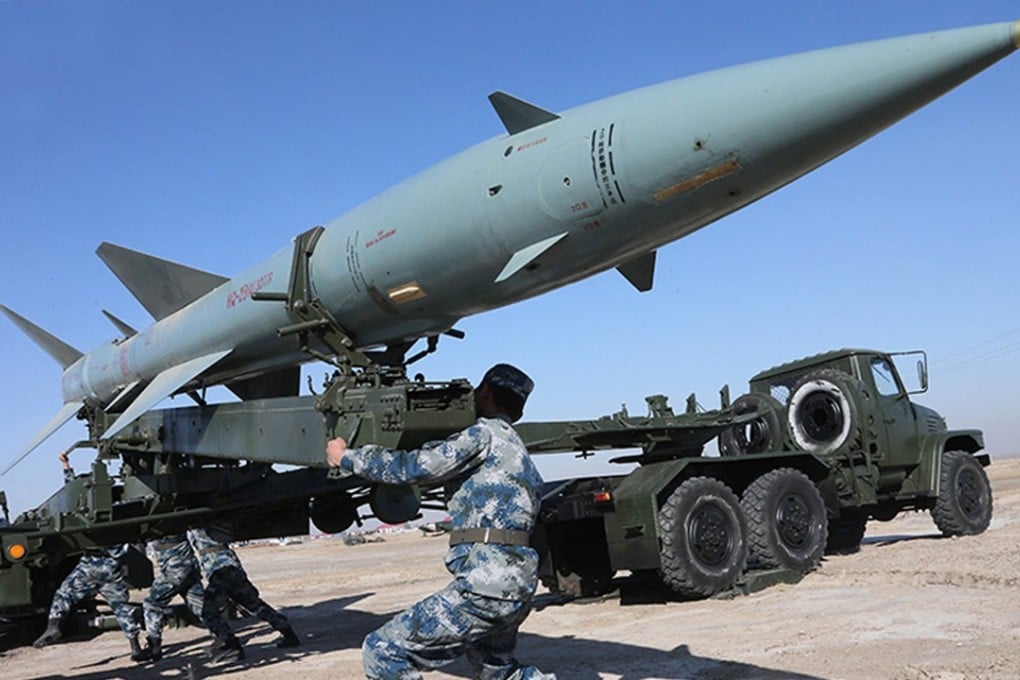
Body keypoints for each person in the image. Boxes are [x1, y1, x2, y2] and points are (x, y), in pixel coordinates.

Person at [326, 363, 555, 680]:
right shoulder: (518, 451)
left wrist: (347, 457)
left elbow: (415, 467)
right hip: (516, 585)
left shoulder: (482, 435)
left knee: (383, 651)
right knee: (498, 670)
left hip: (485, 583)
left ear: (485, 393)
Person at [33, 451, 145, 658]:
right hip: (112, 568)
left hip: (90, 564)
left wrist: (66, 467)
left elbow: (70, 489)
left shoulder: (86, 512)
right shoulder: (123, 508)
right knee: (122, 608)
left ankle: (53, 627)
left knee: (63, 595)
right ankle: (135, 648)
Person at [186, 527, 300, 663]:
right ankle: (289, 634)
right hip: (229, 565)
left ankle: (232, 647)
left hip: (220, 569)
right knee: (254, 605)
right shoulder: (206, 524)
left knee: (208, 613)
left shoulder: (202, 522)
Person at [134, 533, 205, 662]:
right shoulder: (177, 521)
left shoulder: (158, 526)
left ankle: (154, 647)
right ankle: (228, 640)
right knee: (201, 607)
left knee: (152, 604)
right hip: (189, 566)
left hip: (174, 570)